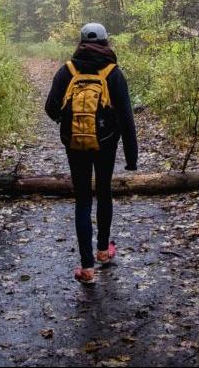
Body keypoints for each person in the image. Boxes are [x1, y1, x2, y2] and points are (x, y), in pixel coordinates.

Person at [45, 22, 138, 284]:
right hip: (106, 143)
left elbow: (50, 108)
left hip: (74, 143)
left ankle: (87, 268)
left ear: (81, 41)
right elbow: (127, 118)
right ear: (107, 42)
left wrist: (67, 119)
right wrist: (131, 158)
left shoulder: (67, 70)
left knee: (83, 198)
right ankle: (103, 252)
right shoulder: (113, 73)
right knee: (104, 191)